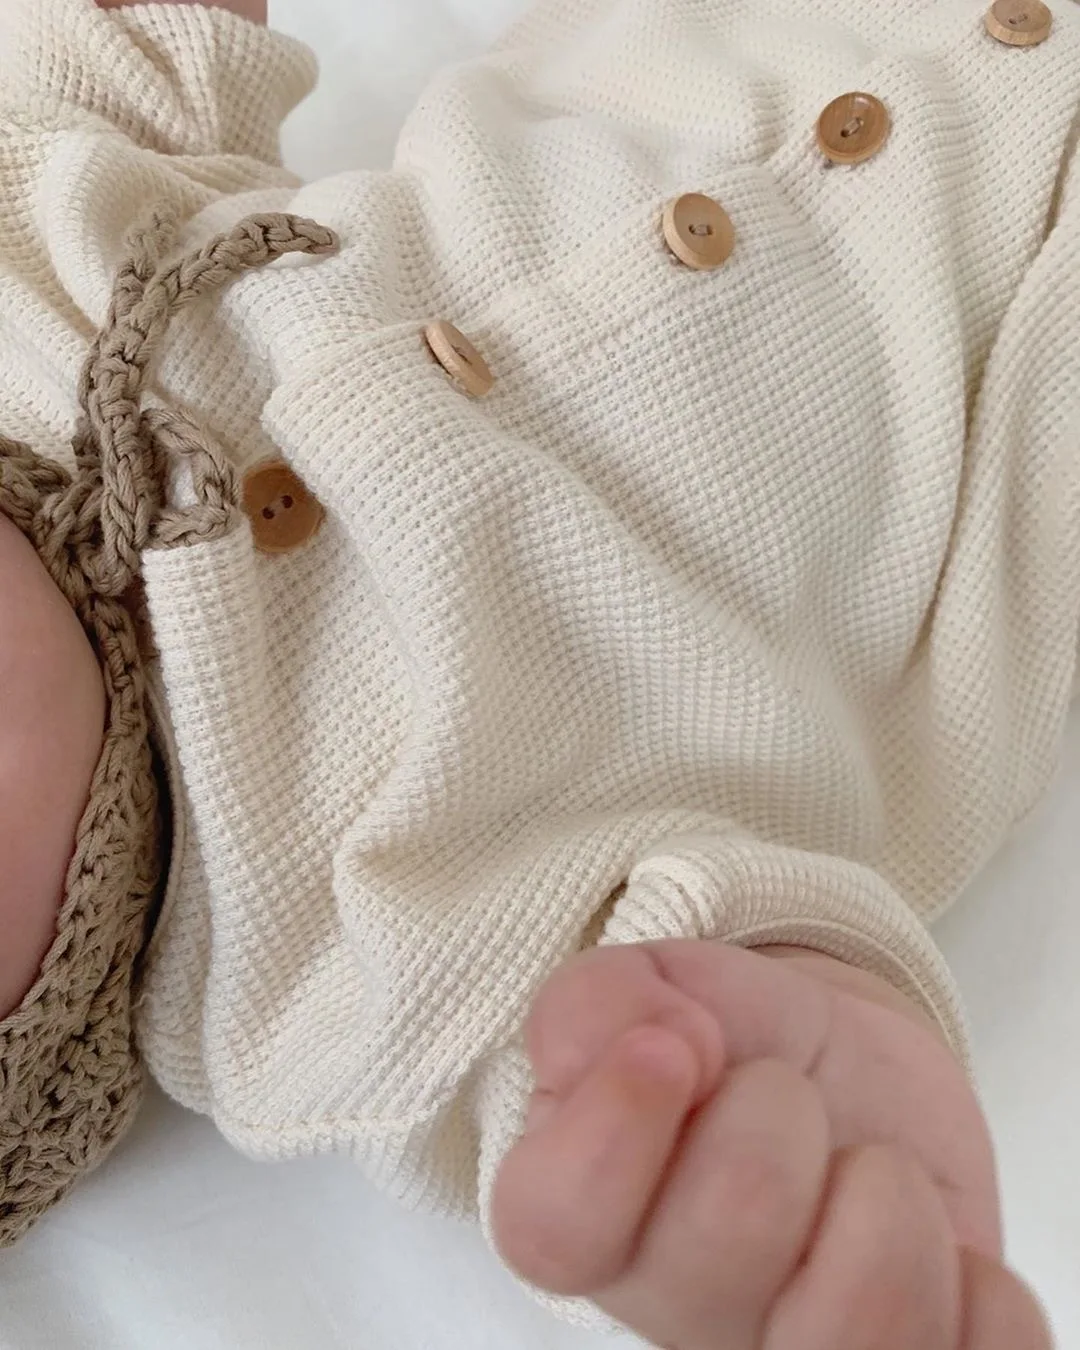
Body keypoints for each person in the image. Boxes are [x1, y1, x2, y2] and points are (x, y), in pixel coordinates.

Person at [1, 0, 1076, 1342]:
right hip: (1025, 357)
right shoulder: (324, 967)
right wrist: (757, 1120)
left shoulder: (23, 285)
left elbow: (121, 46)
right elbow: (648, 1010)